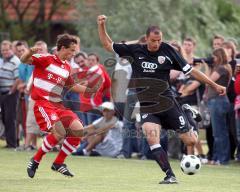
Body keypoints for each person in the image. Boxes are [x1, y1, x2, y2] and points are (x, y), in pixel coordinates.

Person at [97, 15, 226, 184]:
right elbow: (107, 45)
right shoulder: (135, 50)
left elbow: (191, 71)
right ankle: (169, 175)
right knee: (152, 138)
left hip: (168, 103)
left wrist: (213, 84)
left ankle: (186, 111)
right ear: (147, 38)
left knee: (190, 140)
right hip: (147, 106)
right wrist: (101, 25)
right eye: (153, 40)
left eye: (159, 40)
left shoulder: (168, 50)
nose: (156, 44)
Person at [20, 34, 101, 178]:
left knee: (78, 130)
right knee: (59, 132)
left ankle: (58, 163)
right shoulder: (46, 59)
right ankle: (36, 160)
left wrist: (90, 91)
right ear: (62, 48)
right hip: (43, 104)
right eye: (71, 51)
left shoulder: (66, 67)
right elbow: (23, 60)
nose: (73, 54)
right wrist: (30, 51)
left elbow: (71, 86)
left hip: (57, 105)